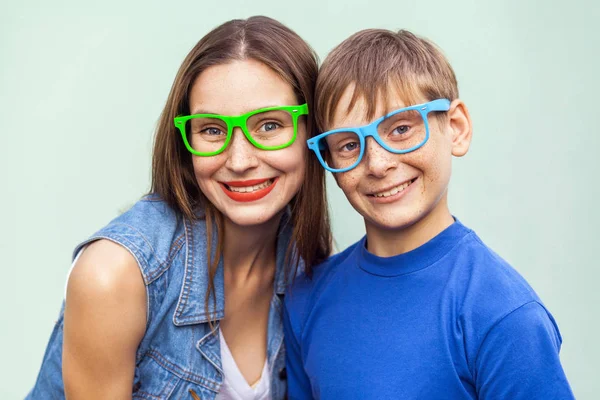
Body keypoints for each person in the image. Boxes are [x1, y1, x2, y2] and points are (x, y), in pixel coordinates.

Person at [27, 16, 331, 400]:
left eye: (269, 125)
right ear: (185, 142)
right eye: (212, 130)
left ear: (313, 132)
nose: (239, 160)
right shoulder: (114, 275)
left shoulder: (308, 260)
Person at [284, 28, 574, 399]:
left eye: (401, 129)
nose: (377, 163)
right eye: (348, 144)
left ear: (456, 128)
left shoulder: (503, 314)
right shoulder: (305, 300)